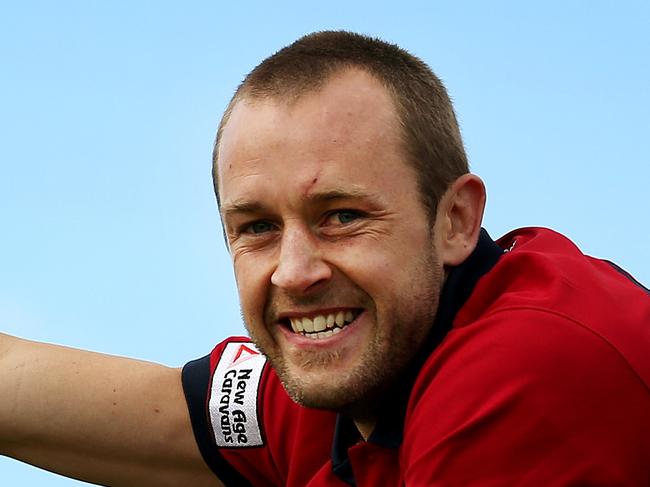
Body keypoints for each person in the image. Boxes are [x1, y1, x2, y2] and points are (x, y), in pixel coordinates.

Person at [1, 30, 649, 486]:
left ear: (455, 221)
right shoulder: (360, 371)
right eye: (256, 226)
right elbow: (156, 415)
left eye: (342, 216)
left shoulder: (527, 374)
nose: (295, 271)